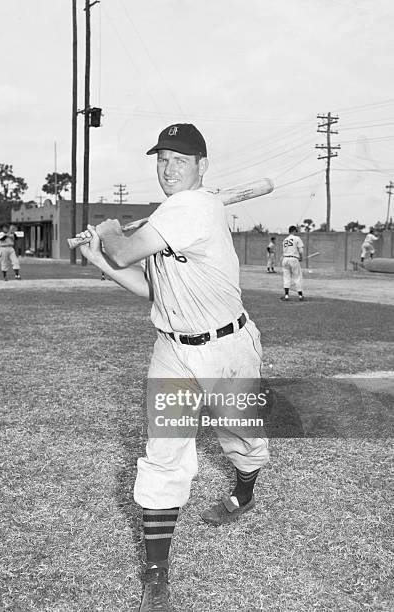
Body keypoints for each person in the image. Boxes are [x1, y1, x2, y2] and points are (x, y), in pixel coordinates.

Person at [75, 123, 269, 611]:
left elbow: (123, 246)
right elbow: (149, 288)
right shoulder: (173, 215)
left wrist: (108, 232)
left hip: (228, 347)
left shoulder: (194, 206)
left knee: (241, 438)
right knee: (163, 454)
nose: (167, 168)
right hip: (174, 348)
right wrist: (100, 257)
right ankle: (157, 572)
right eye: (161, 159)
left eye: (179, 160)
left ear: (202, 167)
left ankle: (245, 491)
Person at [280, 226, 304, 301]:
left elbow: (284, 251)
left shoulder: (285, 240)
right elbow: (301, 250)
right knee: (297, 277)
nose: (296, 232)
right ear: (293, 231)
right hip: (293, 258)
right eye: (296, 231)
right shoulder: (297, 238)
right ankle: (300, 296)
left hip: (285, 259)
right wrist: (301, 257)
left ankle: (286, 295)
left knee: (286, 277)